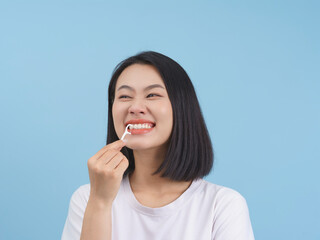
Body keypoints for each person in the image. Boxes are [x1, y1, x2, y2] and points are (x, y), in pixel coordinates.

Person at [61, 51, 255, 240]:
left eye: (152, 95)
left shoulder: (222, 205)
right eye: (124, 97)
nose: (135, 107)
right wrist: (100, 203)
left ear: (182, 107)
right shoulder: (87, 198)